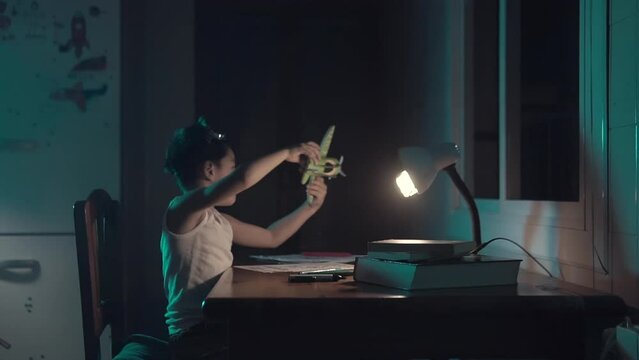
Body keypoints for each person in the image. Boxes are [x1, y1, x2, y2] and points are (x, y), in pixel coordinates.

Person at [161, 117, 327, 359]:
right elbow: (243, 179)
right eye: (232, 167)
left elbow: (271, 237)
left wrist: (310, 207)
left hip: (217, 330)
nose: (234, 174)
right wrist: (286, 153)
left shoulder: (217, 220)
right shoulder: (182, 210)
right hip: (194, 338)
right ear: (209, 170)